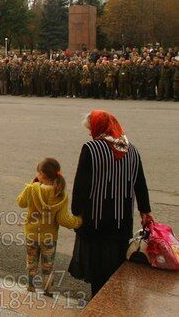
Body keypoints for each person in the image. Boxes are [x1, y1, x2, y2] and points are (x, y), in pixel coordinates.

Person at [69, 110, 152, 297]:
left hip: (96, 219)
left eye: (90, 129)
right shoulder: (132, 149)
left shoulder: (91, 149)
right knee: (116, 267)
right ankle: (114, 303)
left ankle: (99, 307)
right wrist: (145, 211)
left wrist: (76, 212)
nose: (90, 133)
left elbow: (81, 185)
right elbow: (140, 183)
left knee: (98, 270)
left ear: (98, 127)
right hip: (121, 220)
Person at [17, 158, 82, 295]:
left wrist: (30, 185)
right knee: (47, 266)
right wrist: (79, 221)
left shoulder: (32, 189)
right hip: (49, 237)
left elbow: (21, 203)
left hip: (32, 235)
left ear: (41, 174)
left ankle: (30, 287)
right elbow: (63, 219)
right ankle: (48, 290)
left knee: (31, 263)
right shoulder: (60, 195)